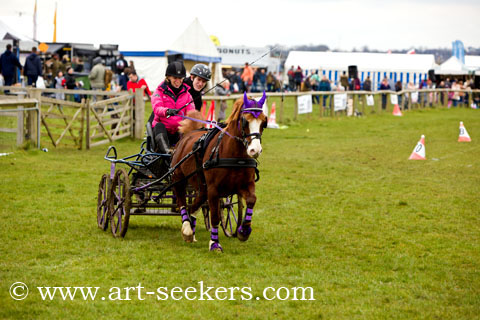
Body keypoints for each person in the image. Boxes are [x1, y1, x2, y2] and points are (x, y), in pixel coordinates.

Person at [151, 61, 194, 152]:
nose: (178, 81)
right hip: (163, 131)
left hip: (179, 131)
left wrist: (193, 118)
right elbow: (156, 108)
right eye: (175, 78)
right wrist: (167, 111)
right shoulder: (159, 92)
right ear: (168, 77)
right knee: (159, 125)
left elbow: (191, 111)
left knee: (188, 128)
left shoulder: (187, 95)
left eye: (180, 78)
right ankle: (167, 152)